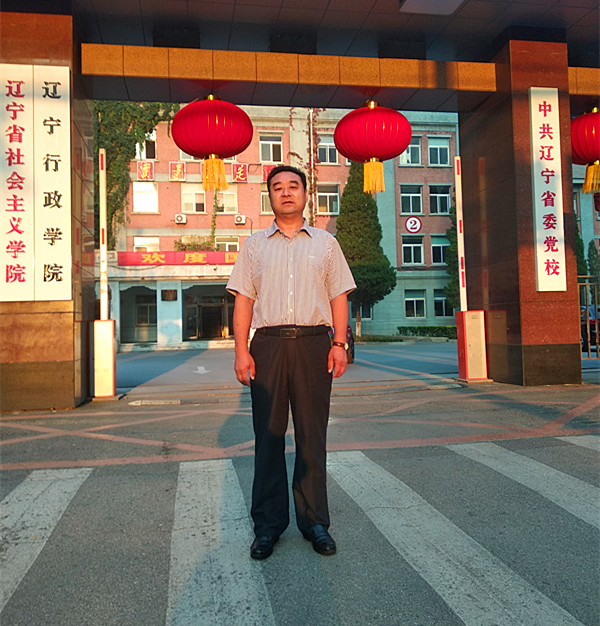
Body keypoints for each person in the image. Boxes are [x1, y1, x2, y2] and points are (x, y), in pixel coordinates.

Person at [226, 165, 356, 560]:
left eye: (293, 186)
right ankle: (268, 526)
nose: (286, 192)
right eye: (278, 187)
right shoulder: (254, 245)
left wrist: (339, 343)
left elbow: (338, 297)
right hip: (267, 345)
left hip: (314, 344)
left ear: (305, 193)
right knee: (268, 437)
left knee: (312, 435)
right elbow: (243, 300)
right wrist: (241, 350)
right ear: (270, 196)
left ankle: (315, 522)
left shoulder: (326, 244)